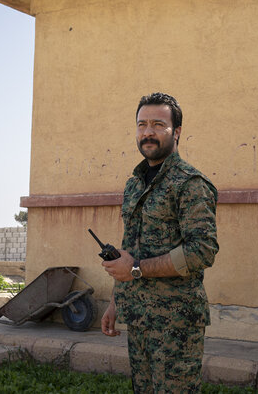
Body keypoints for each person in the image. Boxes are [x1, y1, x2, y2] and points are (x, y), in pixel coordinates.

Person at [101, 92, 219, 393]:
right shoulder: (134, 184)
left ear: (176, 132)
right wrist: (116, 302)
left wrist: (137, 269)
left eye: (157, 124)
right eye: (142, 125)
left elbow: (202, 251)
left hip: (176, 324)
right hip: (139, 318)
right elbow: (130, 249)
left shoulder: (190, 183)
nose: (148, 132)